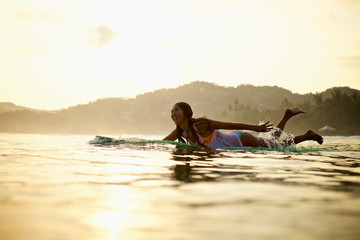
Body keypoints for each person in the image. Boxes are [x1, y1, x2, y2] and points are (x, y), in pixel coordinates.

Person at [163, 102, 323, 148]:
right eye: (171, 111)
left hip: (240, 139)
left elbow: (230, 125)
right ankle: (287, 115)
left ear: (186, 112)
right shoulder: (179, 132)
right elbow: (162, 143)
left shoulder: (201, 124)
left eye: (176, 110)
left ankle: (308, 135)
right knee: (272, 142)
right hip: (236, 141)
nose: (173, 113)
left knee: (276, 146)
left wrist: (256, 128)